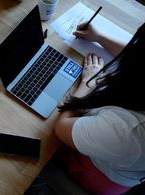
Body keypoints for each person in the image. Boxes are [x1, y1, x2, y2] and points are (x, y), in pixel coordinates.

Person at [53, 21, 145, 195]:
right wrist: (99, 37)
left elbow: (62, 126)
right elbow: (137, 57)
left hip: (97, 174)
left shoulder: (129, 132)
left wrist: (89, 83)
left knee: (43, 140)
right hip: (123, 163)